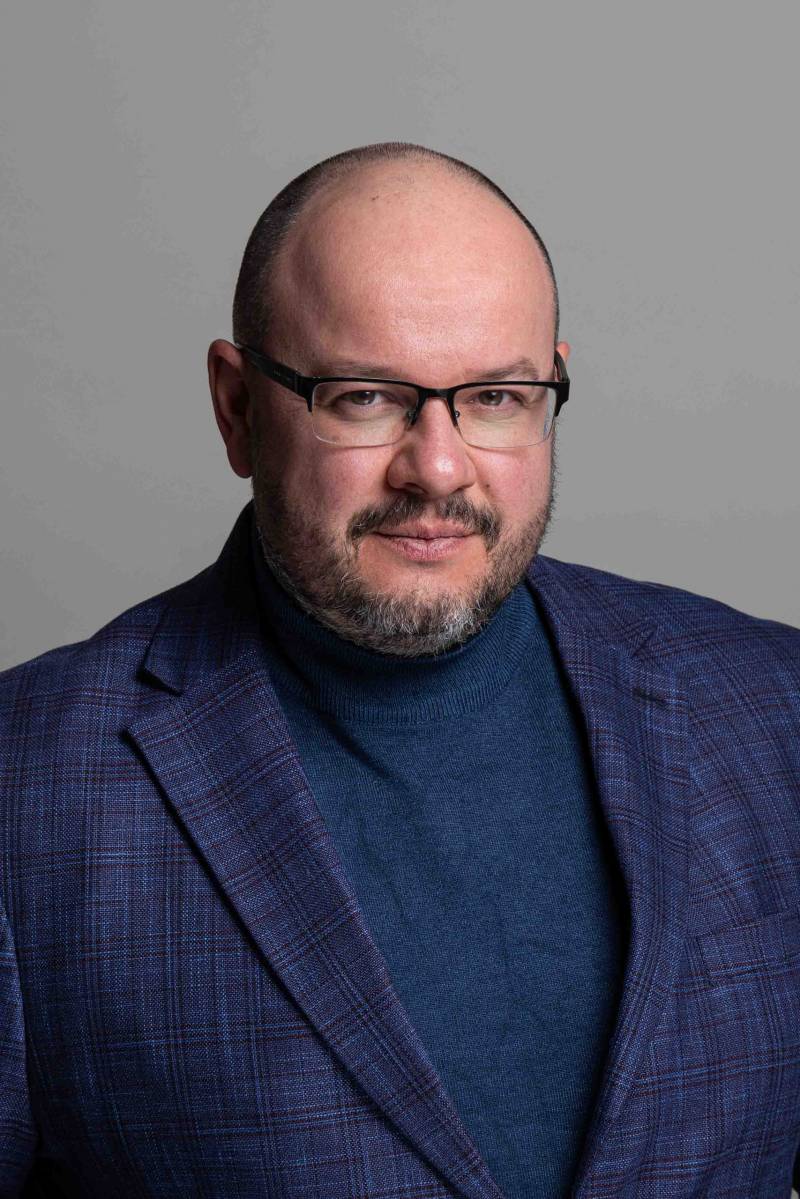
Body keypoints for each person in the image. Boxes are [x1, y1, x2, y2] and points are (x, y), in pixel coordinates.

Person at [1, 142, 799, 1199]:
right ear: (237, 407)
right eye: (366, 396)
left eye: (497, 396)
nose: (437, 466)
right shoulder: (26, 786)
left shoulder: (773, 709)